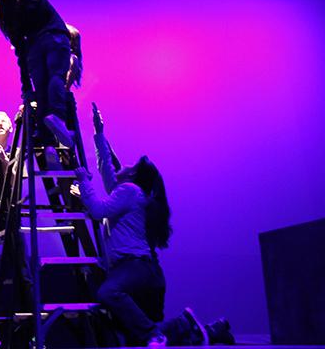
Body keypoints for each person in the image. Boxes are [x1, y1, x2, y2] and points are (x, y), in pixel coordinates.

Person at [75, 103, 233, 346]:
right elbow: (106, 168)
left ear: (133, 177)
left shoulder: (129, 190)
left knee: (110, 297)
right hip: (142, 272)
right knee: (141, 339)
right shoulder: (128, 192)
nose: (122, 166)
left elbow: (97, 210)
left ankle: (176, 327)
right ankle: (211, 330)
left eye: (129, 166)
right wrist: (98, 133)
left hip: (135, 268)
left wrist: (84, 181)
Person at [0, 0, 74, 151]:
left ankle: (45, 137)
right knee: (57, 77)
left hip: (33, 50)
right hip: (54, 38)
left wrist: (25, 86)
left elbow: (20, 52)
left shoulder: (8, 17)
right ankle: (57, 117)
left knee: (40, 89)